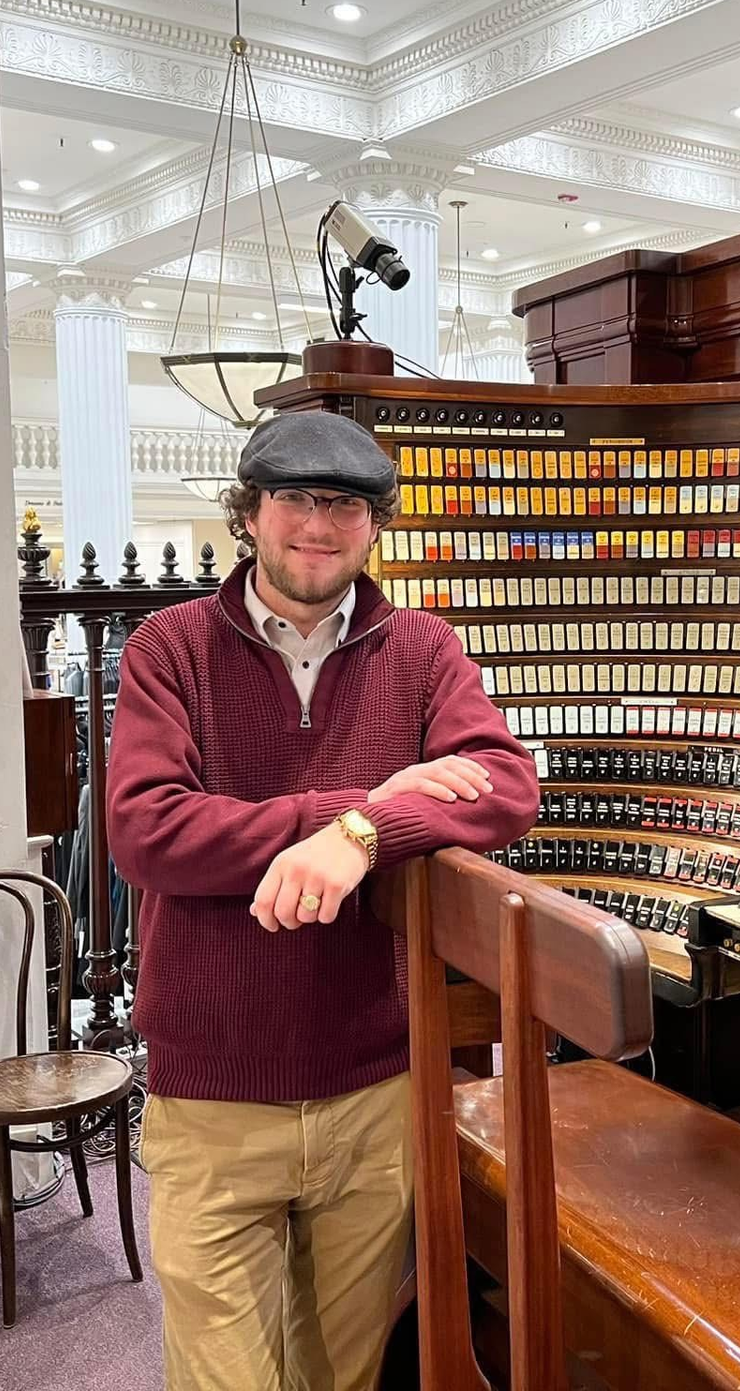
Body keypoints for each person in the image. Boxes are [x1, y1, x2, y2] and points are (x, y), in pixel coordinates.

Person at [107, 408, 541, 1391]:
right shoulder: (169, 649)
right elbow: (146, 830)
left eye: (345, 504)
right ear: (250, 514)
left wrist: (362, 839)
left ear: (376, 524)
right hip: (214, 1095)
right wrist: (362, 804)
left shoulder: (424, 649)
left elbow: (506, 787)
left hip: (371, 1093)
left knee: (342, 1376)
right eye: (295, 498)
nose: (319, 523)